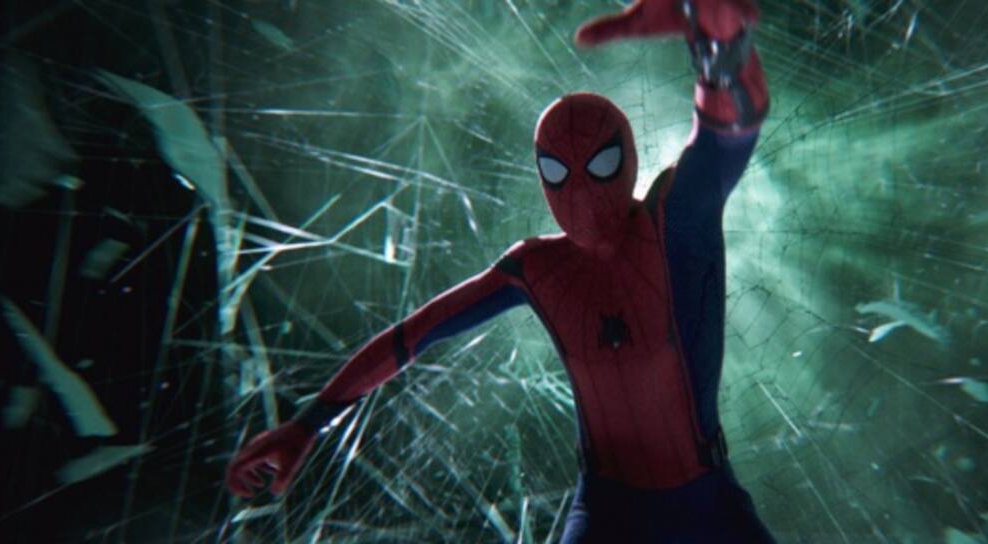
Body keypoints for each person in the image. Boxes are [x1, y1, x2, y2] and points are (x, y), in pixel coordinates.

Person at [227, 0, 773, 541]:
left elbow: (725, 133)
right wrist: (307, 424)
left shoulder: (671, 221)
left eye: (599, 165)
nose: (579, 192)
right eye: (556, 172)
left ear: (627, 159)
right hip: (612, 508)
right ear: (540, 176)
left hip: (700, 500)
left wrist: (721, 52)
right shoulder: (538, 267)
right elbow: (413, 335)